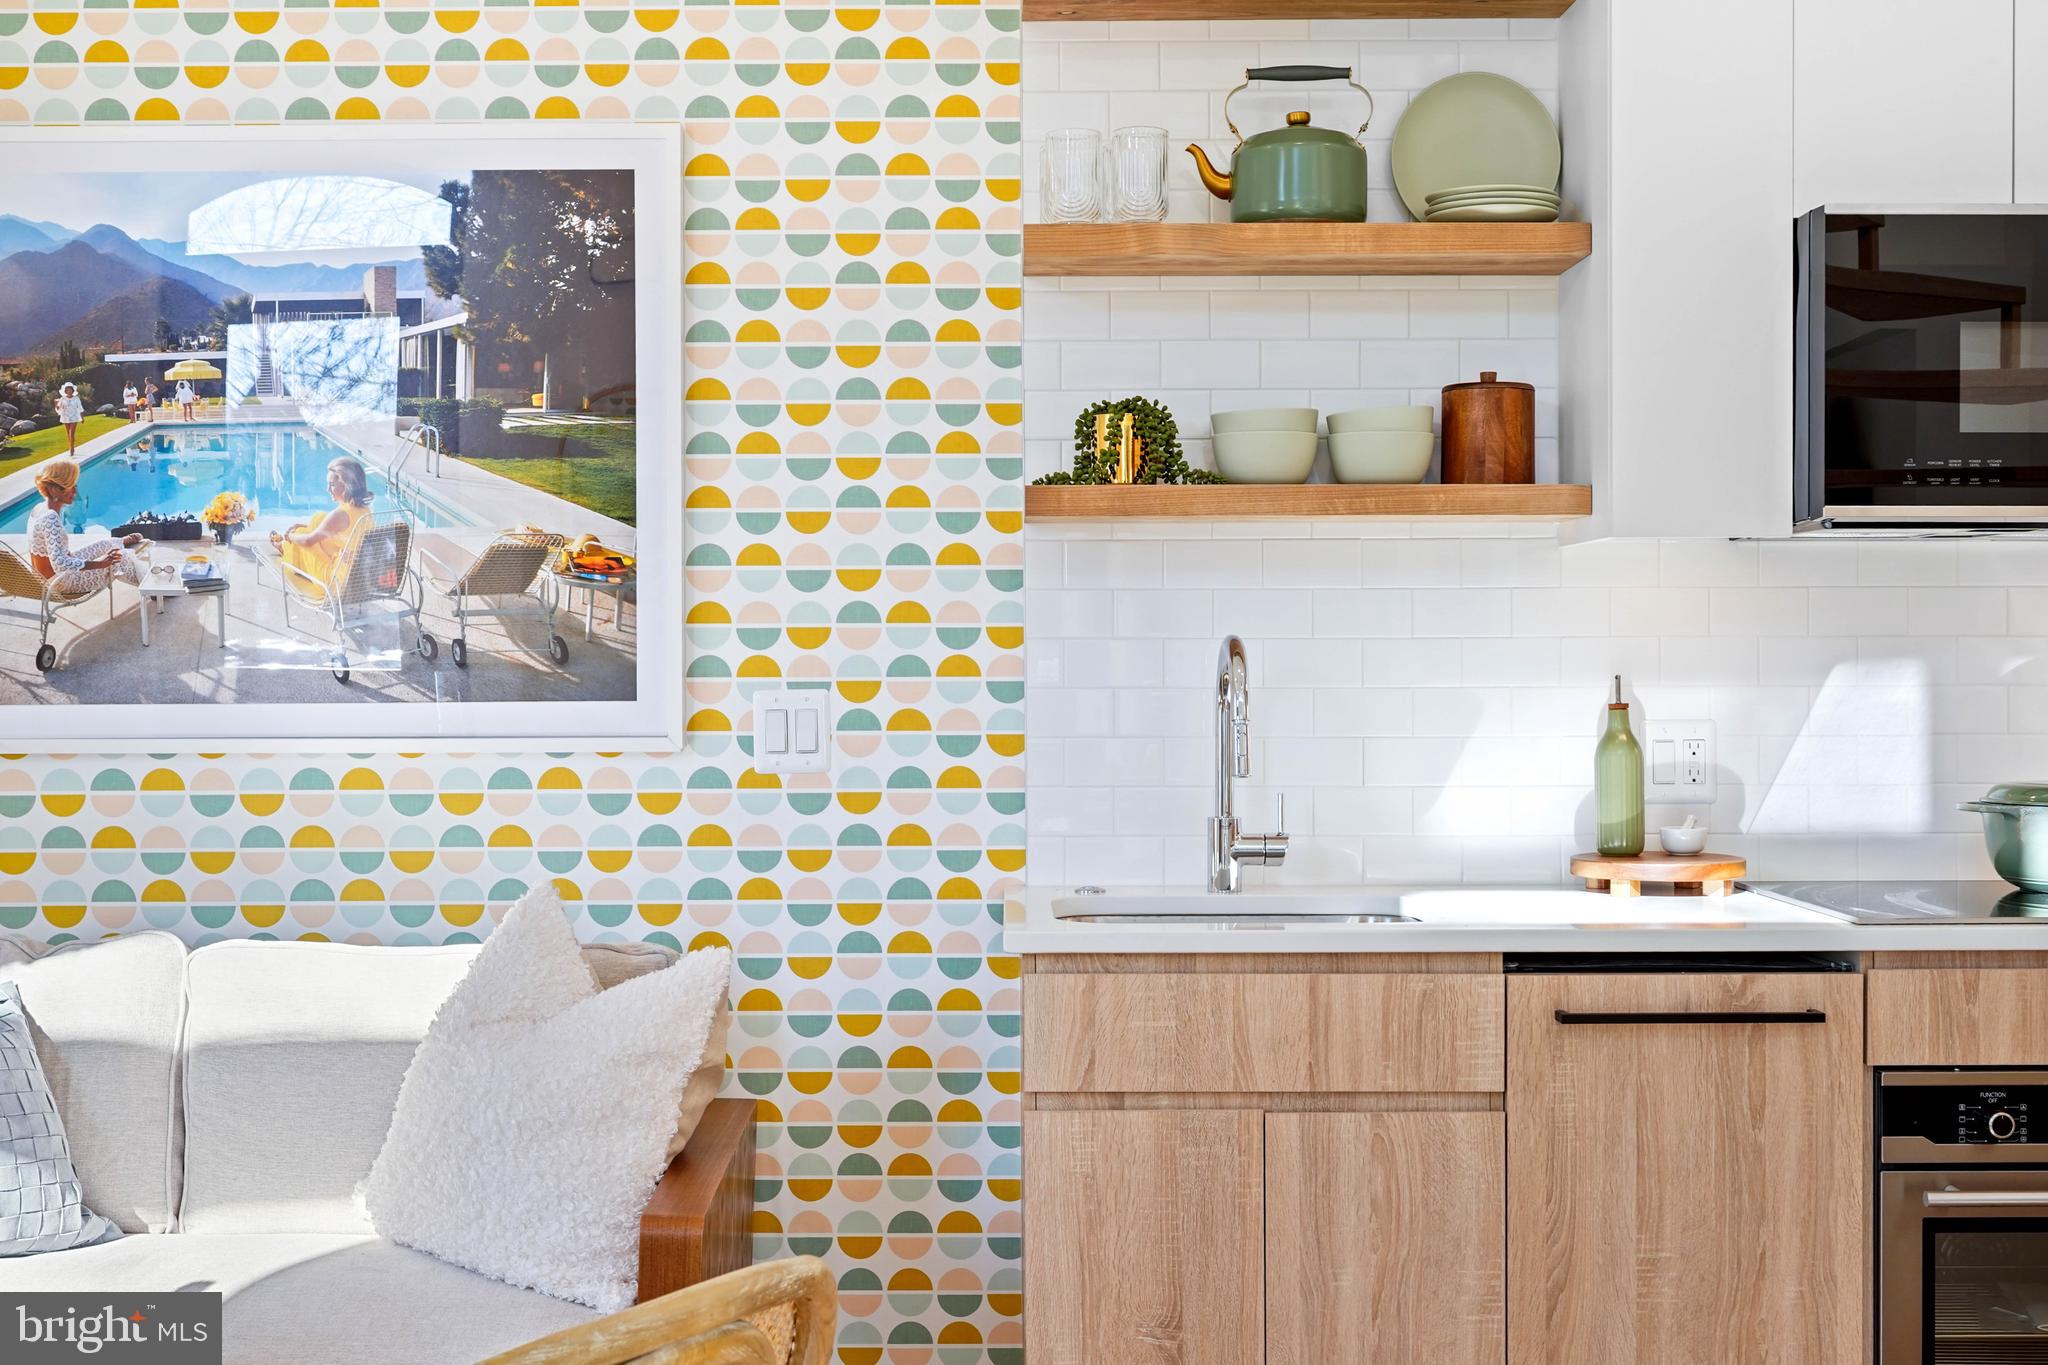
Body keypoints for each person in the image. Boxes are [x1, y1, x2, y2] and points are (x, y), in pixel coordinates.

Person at [27, 458, 142, 598]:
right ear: (53, 489)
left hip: (45, 577)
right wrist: (100, 563)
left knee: (105, 544)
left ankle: (120, 541)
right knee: (120, 559)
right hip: (60, 582)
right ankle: (151, 587)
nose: (75, 491)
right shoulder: (50, 517)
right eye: (71, 486)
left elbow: (53, 555)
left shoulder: (39, 508)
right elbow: (60, 564)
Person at [270, 456, 374, 602]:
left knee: (301, 537)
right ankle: (288, 545)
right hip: (358, 576)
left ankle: (284, 546)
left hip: (337, 582)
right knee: (319, 518)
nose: (327, 489)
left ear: (346, 485)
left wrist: (290, 536)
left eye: (331, 484)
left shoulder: (340, 515)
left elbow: (308, 541)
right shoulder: (365, 509)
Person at [53, 383, 83, 455]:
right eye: (67, 389)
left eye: (70, 389)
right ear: (65, 391)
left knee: (71, 433)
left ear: (73, 390)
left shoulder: (76, 398)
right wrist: (56, 404)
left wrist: (82, 417)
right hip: (65, 417)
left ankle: (72, 449)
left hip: (74, 417)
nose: (69, 391)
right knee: (68, 434)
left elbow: (80, 407)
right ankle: (71, 445)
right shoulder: (62, 398)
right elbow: (58, 408)